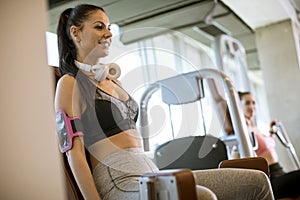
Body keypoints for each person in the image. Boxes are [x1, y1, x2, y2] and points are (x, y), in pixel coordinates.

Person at [54, 4, 275, 200]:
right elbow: (74, 155)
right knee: (201, 196)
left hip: (151, 173)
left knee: (256, 182)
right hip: (118, 181)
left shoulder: (113, 80)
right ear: (76, 33)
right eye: (99, 26)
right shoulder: (70, 83)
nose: (108, 33)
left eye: (110, 27)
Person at [238, 91, 300, 200]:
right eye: (247, 103)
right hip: (270, 177)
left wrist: (271, 132)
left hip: (280, 169)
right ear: (239, 106)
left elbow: (265, 146)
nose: (252, 106)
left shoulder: (256, 128)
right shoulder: (243, 130)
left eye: (253, 102)